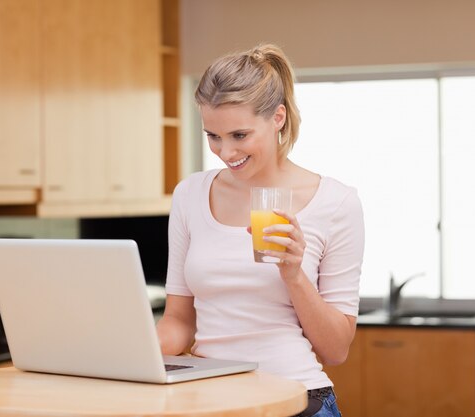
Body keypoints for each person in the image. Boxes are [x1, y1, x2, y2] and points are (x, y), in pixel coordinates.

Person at [156, 43, 365, 417]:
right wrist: (127, 352)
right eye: (212, 136)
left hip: (296, 400)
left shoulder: (335, 202)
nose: (224, 151)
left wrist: (294, 274)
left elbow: (336, 350)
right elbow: (179, 321)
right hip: (207, 401)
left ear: (278, 118)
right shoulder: (190, 194)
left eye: (239, 135)